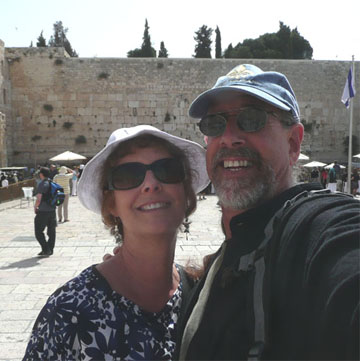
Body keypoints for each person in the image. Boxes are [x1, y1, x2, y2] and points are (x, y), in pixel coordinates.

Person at [176, 64, 359, 360]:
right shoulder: (219, 265)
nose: (229, 137)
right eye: (214, 124)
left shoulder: (316, 228)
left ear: (293, 143)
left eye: (251, 119)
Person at [23, 125, 209, 360]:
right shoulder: (70, 310)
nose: (150, 184)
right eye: (128, 176)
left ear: (187, 194)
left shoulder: (204, 299)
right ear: (111, 204)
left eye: (168, 170)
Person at [33, 167, 56, 256]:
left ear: (41, 174)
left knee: (38, 231)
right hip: (52, 210)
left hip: (43, 211)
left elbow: (39, 198)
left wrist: (36, 207)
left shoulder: (42, 184)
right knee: (51, 231)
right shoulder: (51, 182)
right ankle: (50, 249)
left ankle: (46, 249)